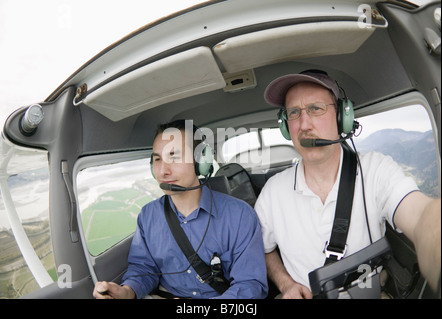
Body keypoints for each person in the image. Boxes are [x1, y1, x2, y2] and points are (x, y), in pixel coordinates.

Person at [255, 70, 441, 299]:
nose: (304, 124)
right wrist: (286, 285)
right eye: (294, 113)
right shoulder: (273, 192)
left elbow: (421, 215)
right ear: (285, 126)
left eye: (316, 108)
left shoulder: (376, 170)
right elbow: (263, 249)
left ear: (343, 116)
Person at [93, 119, 268, 299]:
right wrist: (127, 292)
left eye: (174, 157)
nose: (163, 171)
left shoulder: (240, 215)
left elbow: (250, 285)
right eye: (158, 159)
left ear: (201, 161)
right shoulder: (148, 216)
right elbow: (144, 269)